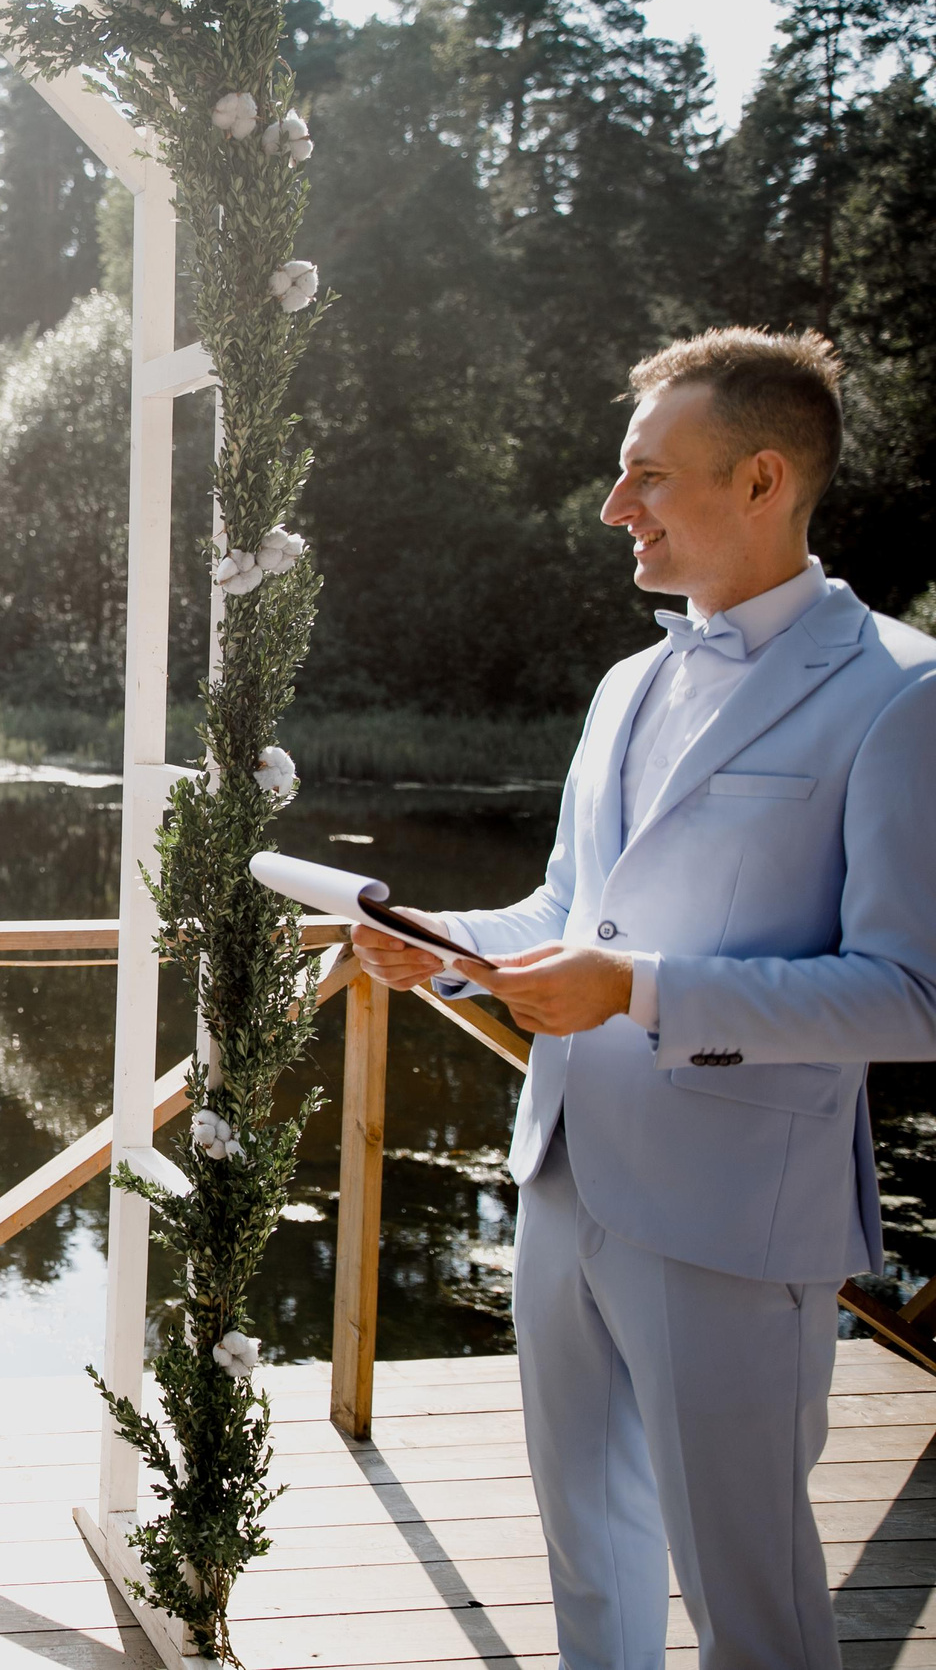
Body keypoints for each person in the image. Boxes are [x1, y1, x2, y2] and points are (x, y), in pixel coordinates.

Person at [352, 329, 936, 1670]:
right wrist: (437, 944)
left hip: (738, 1214)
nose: (616, 508)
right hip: (562, 1183)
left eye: (646, 477)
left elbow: (914, 995)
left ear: (764, 479)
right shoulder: (627, 683)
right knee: (589, 1573)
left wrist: (643, 989)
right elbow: (569, 911)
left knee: (755, 1605)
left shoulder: (902, 694)